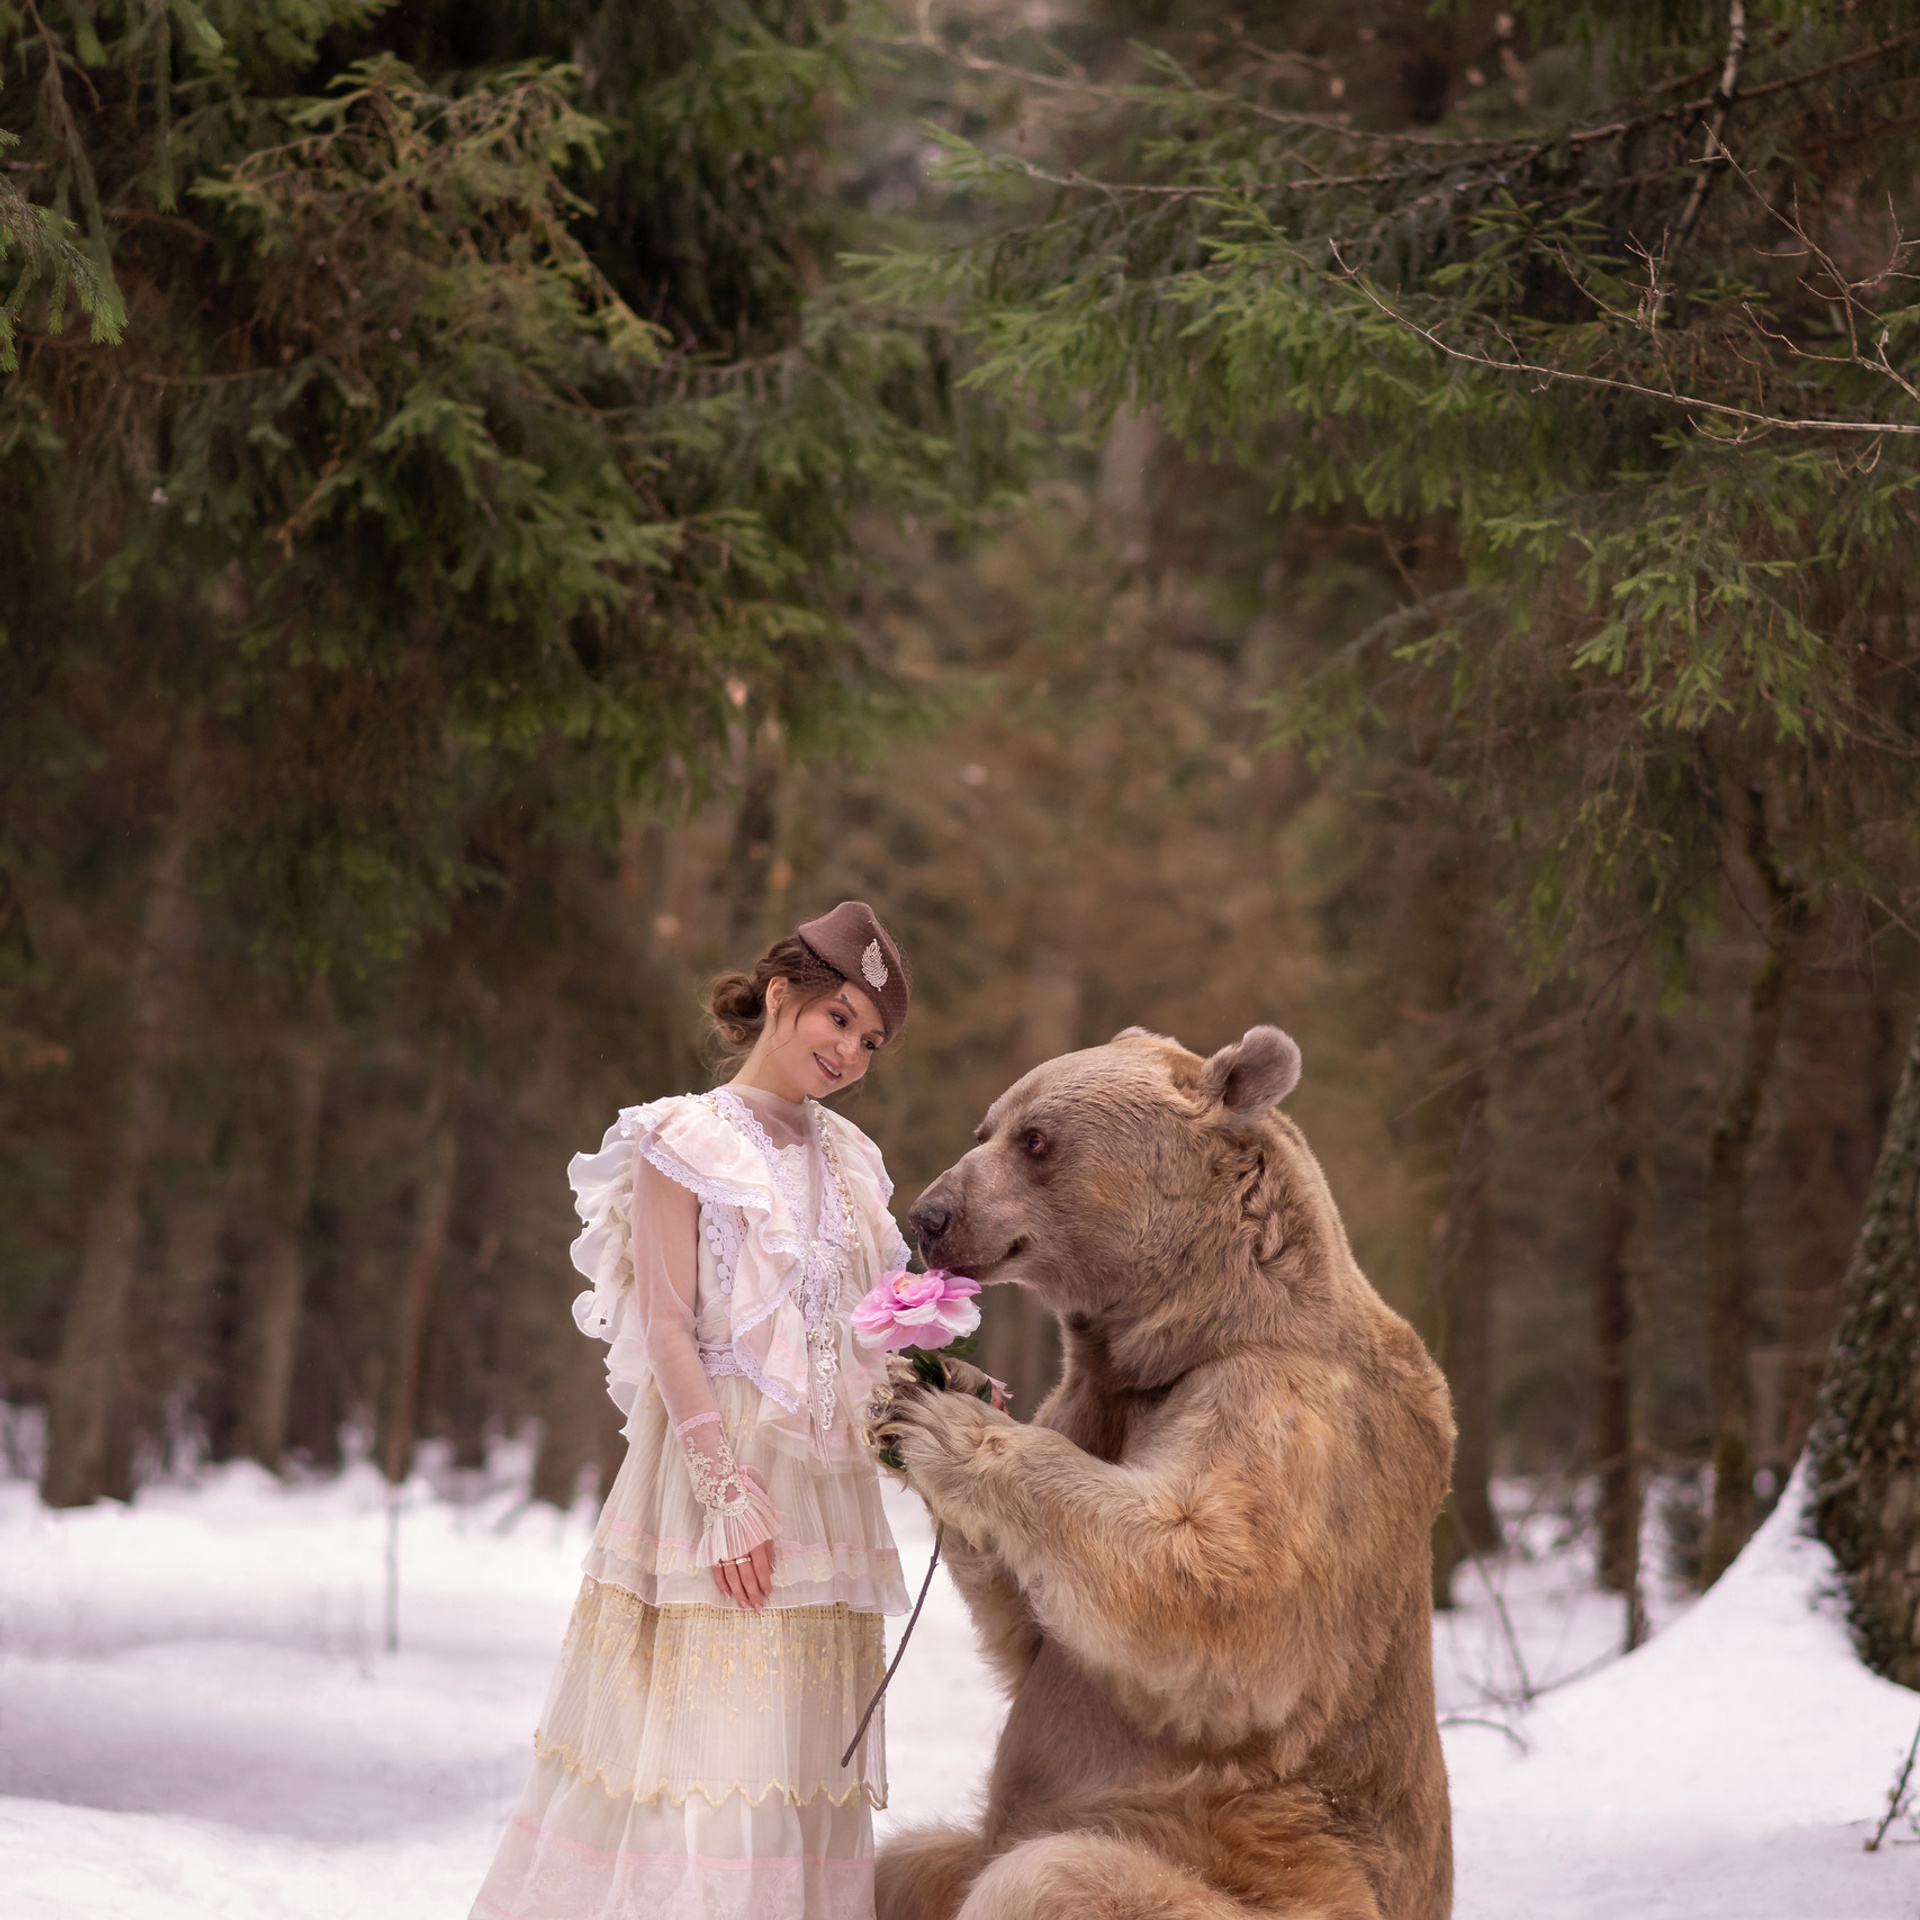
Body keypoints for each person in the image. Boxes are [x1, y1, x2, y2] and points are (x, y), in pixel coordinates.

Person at [473, 901, 917, 1920]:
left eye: (869, 1039)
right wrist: (725, 1489)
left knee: (801, 1766)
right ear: (780, 996)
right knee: (706, 1761)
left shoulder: (853, 1161)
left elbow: (858, 1332)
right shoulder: (683, 1137)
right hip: (723, 1468)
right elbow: (670, 1324)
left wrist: (941, 1390)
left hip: (826, 1490)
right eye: (837, 1018)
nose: (848, 1049)